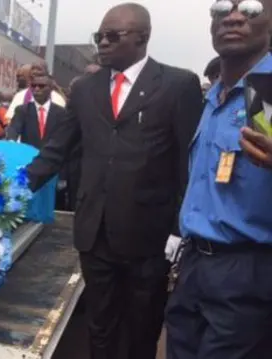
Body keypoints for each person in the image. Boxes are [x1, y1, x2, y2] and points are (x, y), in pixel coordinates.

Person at [26, 4, 203, 359]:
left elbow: (188, 162)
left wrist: (178, 229)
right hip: (95, 233)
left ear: (143, 37)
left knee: (142, 327)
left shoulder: (177, 85)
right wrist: (9, 188)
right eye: (99, 36)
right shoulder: (86, 88)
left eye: (113, 36)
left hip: (149, 237)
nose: (102, 43)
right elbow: (56, 149)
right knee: (100, 326)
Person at [166, 1, 272, 358]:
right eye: (222, 7)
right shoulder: (213, 96)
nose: (234, 16)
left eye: (253, 8)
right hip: (194, 265)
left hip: (249, 269)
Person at [7, 74, 66, 148]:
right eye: (33, 86)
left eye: (41, 86)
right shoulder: (22, 110)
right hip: (29, 156)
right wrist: (11, 143)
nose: (37, 89)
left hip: (51, 157)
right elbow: (13, 129)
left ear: (50, 89)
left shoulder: (61, 113)